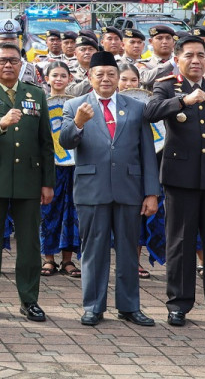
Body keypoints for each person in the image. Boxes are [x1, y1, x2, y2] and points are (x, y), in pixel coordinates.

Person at [144, 35, 205, 328]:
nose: (197, 61)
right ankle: (178, 304)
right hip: (180, 177)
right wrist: (183, 101)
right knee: (181, 242)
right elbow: (150, 112)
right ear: (177, 60)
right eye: (189, 55)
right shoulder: (166, 86)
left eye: (202, 55)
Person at [59, 51, 160, 326]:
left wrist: (151, 192)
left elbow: (147, 152)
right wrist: (79, 121)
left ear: (119, 79)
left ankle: (129, 306)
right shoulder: (75, 106)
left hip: (129, 187)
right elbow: (66, 143)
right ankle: (93, 306)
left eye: (111, 74)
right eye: (99, 74)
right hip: (92, 188)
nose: (106, 79)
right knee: (93, 249)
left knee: (129, 248)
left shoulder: (136, 107)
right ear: (89, 77)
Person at [0, 41, 55, 322]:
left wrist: (47, 182)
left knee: (29, 244)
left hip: (29, 178)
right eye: (2, 60)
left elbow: (45, 142)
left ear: (22, 64)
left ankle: (29, 300)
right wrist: (2, 123)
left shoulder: (36, 94)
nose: (8, 65)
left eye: (13, 61)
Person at [41, 60, 80, 279]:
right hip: (49, 164)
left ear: (69, 79)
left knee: (71, 212)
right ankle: (48, 259)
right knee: (49, 211)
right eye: (54, 75)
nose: (58, 79)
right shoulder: (41, 103)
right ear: (47, 79)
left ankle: (67, 260)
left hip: (73, 165)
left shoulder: (76, 104)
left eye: (63, 76)